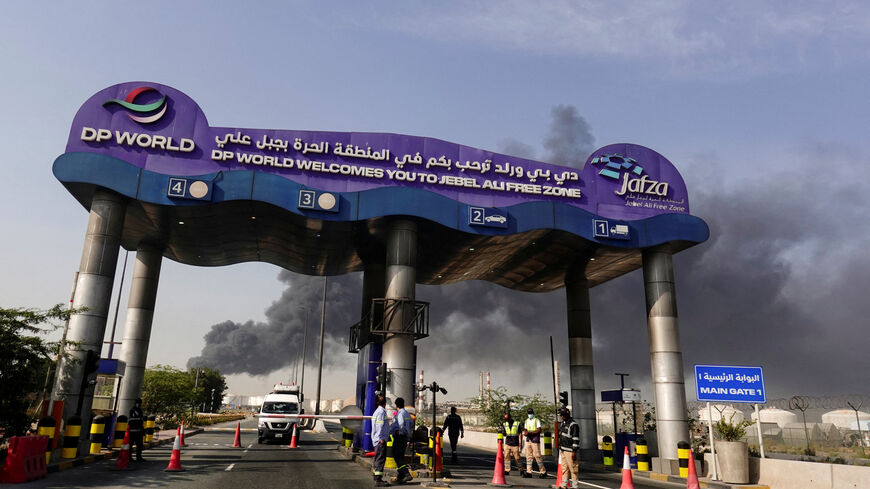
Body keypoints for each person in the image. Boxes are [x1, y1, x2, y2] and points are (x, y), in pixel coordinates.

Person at [389, 397, 413, 484]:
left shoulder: (400, 414)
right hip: (404, 437)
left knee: (396, 456)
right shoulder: (407, 413)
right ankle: (401, 476)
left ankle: (406, 474)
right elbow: (411, 423)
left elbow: (401, 423)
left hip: (399, 437)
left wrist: (401, 431)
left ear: (396, 405)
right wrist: (407, 433)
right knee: (400, 456)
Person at [557, 407, 580, 489]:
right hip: (563, 450)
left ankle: (575, 486)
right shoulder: (563, 423)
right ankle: (564, 485)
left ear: (567, 415)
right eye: (561, 415)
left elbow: (575, 439)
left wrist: (574, 452)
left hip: (570, 451)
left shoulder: (573, 425)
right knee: (564, 469)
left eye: (563, 415)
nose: (562, 417)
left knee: (573, 469)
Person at [371, 395, 391, 487]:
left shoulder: (377, 412)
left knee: (378, 458)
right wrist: (381, 438)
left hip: (378, 439)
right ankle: (378, 480)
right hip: (380, 440)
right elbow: (379, 426)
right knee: (380, 459)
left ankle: (376, 477)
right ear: (385, 403)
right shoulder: (381, 412)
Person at [522, 408, 547, 478]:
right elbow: (525, 430)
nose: (530, 414)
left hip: (535, 440)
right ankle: (529, 472)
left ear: (533, 413)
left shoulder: (536, 420)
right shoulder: (526, 421)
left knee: (537, 456)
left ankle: (543, 471)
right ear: (527, 414)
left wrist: (531, 433)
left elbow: (539, 429)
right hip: (528, 440)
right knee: (528, 457)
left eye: (531, 413)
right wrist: (526, 433)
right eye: (529, 413)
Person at [502, 412, 524, 476]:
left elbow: (520, 433)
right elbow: (504, 433)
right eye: (505, 419)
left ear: (510, 418)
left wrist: (520, 442)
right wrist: (503, 433)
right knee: (506, 457)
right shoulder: (505, 424)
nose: (507, 420)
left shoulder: (516, 423)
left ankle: (521, 470)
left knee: (517, 458)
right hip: (508, 443)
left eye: (507, 419)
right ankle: (507, 470)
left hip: (515, 444)